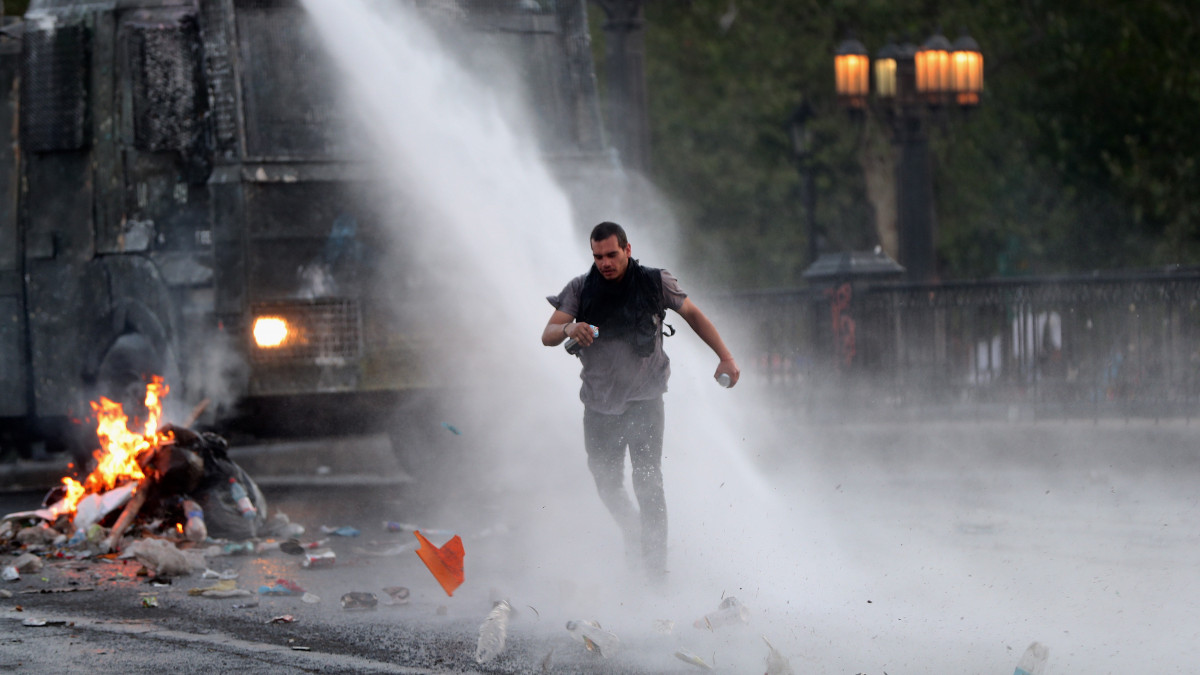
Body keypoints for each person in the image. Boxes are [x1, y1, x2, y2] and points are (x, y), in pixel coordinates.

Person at [542, 221, 739, 582]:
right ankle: (632, 531)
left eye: (612, 254)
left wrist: (725, 356)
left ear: (627, 249)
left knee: (649, 483)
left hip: (645, 401)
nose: (605, 262)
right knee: (606, 483)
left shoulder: (654, 281)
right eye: (598, 256)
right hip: (599, 405)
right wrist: (570, 328)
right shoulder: (580, 289)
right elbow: (548, 334)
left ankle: (654, 573)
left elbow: (694, 315)